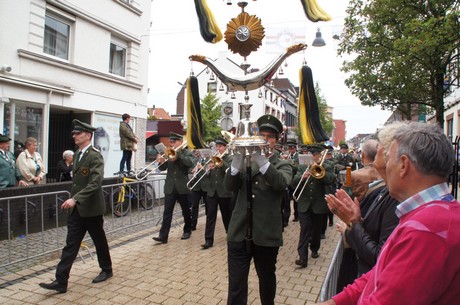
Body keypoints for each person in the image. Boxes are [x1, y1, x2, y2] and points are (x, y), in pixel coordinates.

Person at [313, 122, 460, 305]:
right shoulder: (426, 216)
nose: (380, 165)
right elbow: (379, 274)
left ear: (403, 165)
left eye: (389, 157)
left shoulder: (428, 230)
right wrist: (336, 301)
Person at [224, 114, 293, 305]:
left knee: (266, 280)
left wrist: (261, 159)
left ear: (277, 141)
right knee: (236, 284)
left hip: (266, 233)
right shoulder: (245, 162)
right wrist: (237, 162)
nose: (265, 139)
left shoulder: (283, 164)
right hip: (239, 230)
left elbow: (280, 183)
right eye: (261, 135)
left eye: (270, 136)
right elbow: (229, 186)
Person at [39, 119, 112, 294]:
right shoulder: (78, 154)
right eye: (73, 133)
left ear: (88, 135)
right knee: (71, 244)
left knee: (99, 240)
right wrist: (75, 201)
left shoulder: (95, 155)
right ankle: (61, 281)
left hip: (91, 208)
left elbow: (95, 182)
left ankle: (107, 269)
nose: (74, 135)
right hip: (78, 209)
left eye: (77, 133)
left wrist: (75, 198)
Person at [291, 144, 335, 268]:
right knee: (304, 229)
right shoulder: (303, 166)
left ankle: (314, 248)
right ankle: (302, 257)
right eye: (311, 154)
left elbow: (330, 180)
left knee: (316, 231)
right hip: (304, 204)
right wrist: (302, 177)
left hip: (318, 204)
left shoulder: (328, 165)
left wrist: (318, 172)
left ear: (320, 155)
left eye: (315, 154)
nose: (313, 157)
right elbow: (294, 183)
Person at [152, 132, 194, 243]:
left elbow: (189, 163)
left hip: (182, 187)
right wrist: (160, 162)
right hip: (170, 187)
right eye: (170, 142)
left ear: (180, 141)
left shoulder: (186, 152)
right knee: (167, 212)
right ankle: (163, 236)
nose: (171, 144)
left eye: (174, 142)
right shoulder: (168, 152)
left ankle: (187, 230)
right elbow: (162, 168)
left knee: (185, 211)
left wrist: (178, 154)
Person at [200, 136, 233, 249]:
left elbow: (230, 171)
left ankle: (231, 235)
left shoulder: (229, 158)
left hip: (224, 192)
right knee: (210, 217)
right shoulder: (212, 158)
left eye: (220, 146)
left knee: (226, 215)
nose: (218, 148)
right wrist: (208, 169)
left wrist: (221, 163)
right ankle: (208, 240)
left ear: (225, 147)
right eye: (217, 146)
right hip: (212, 192)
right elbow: (206, 174)